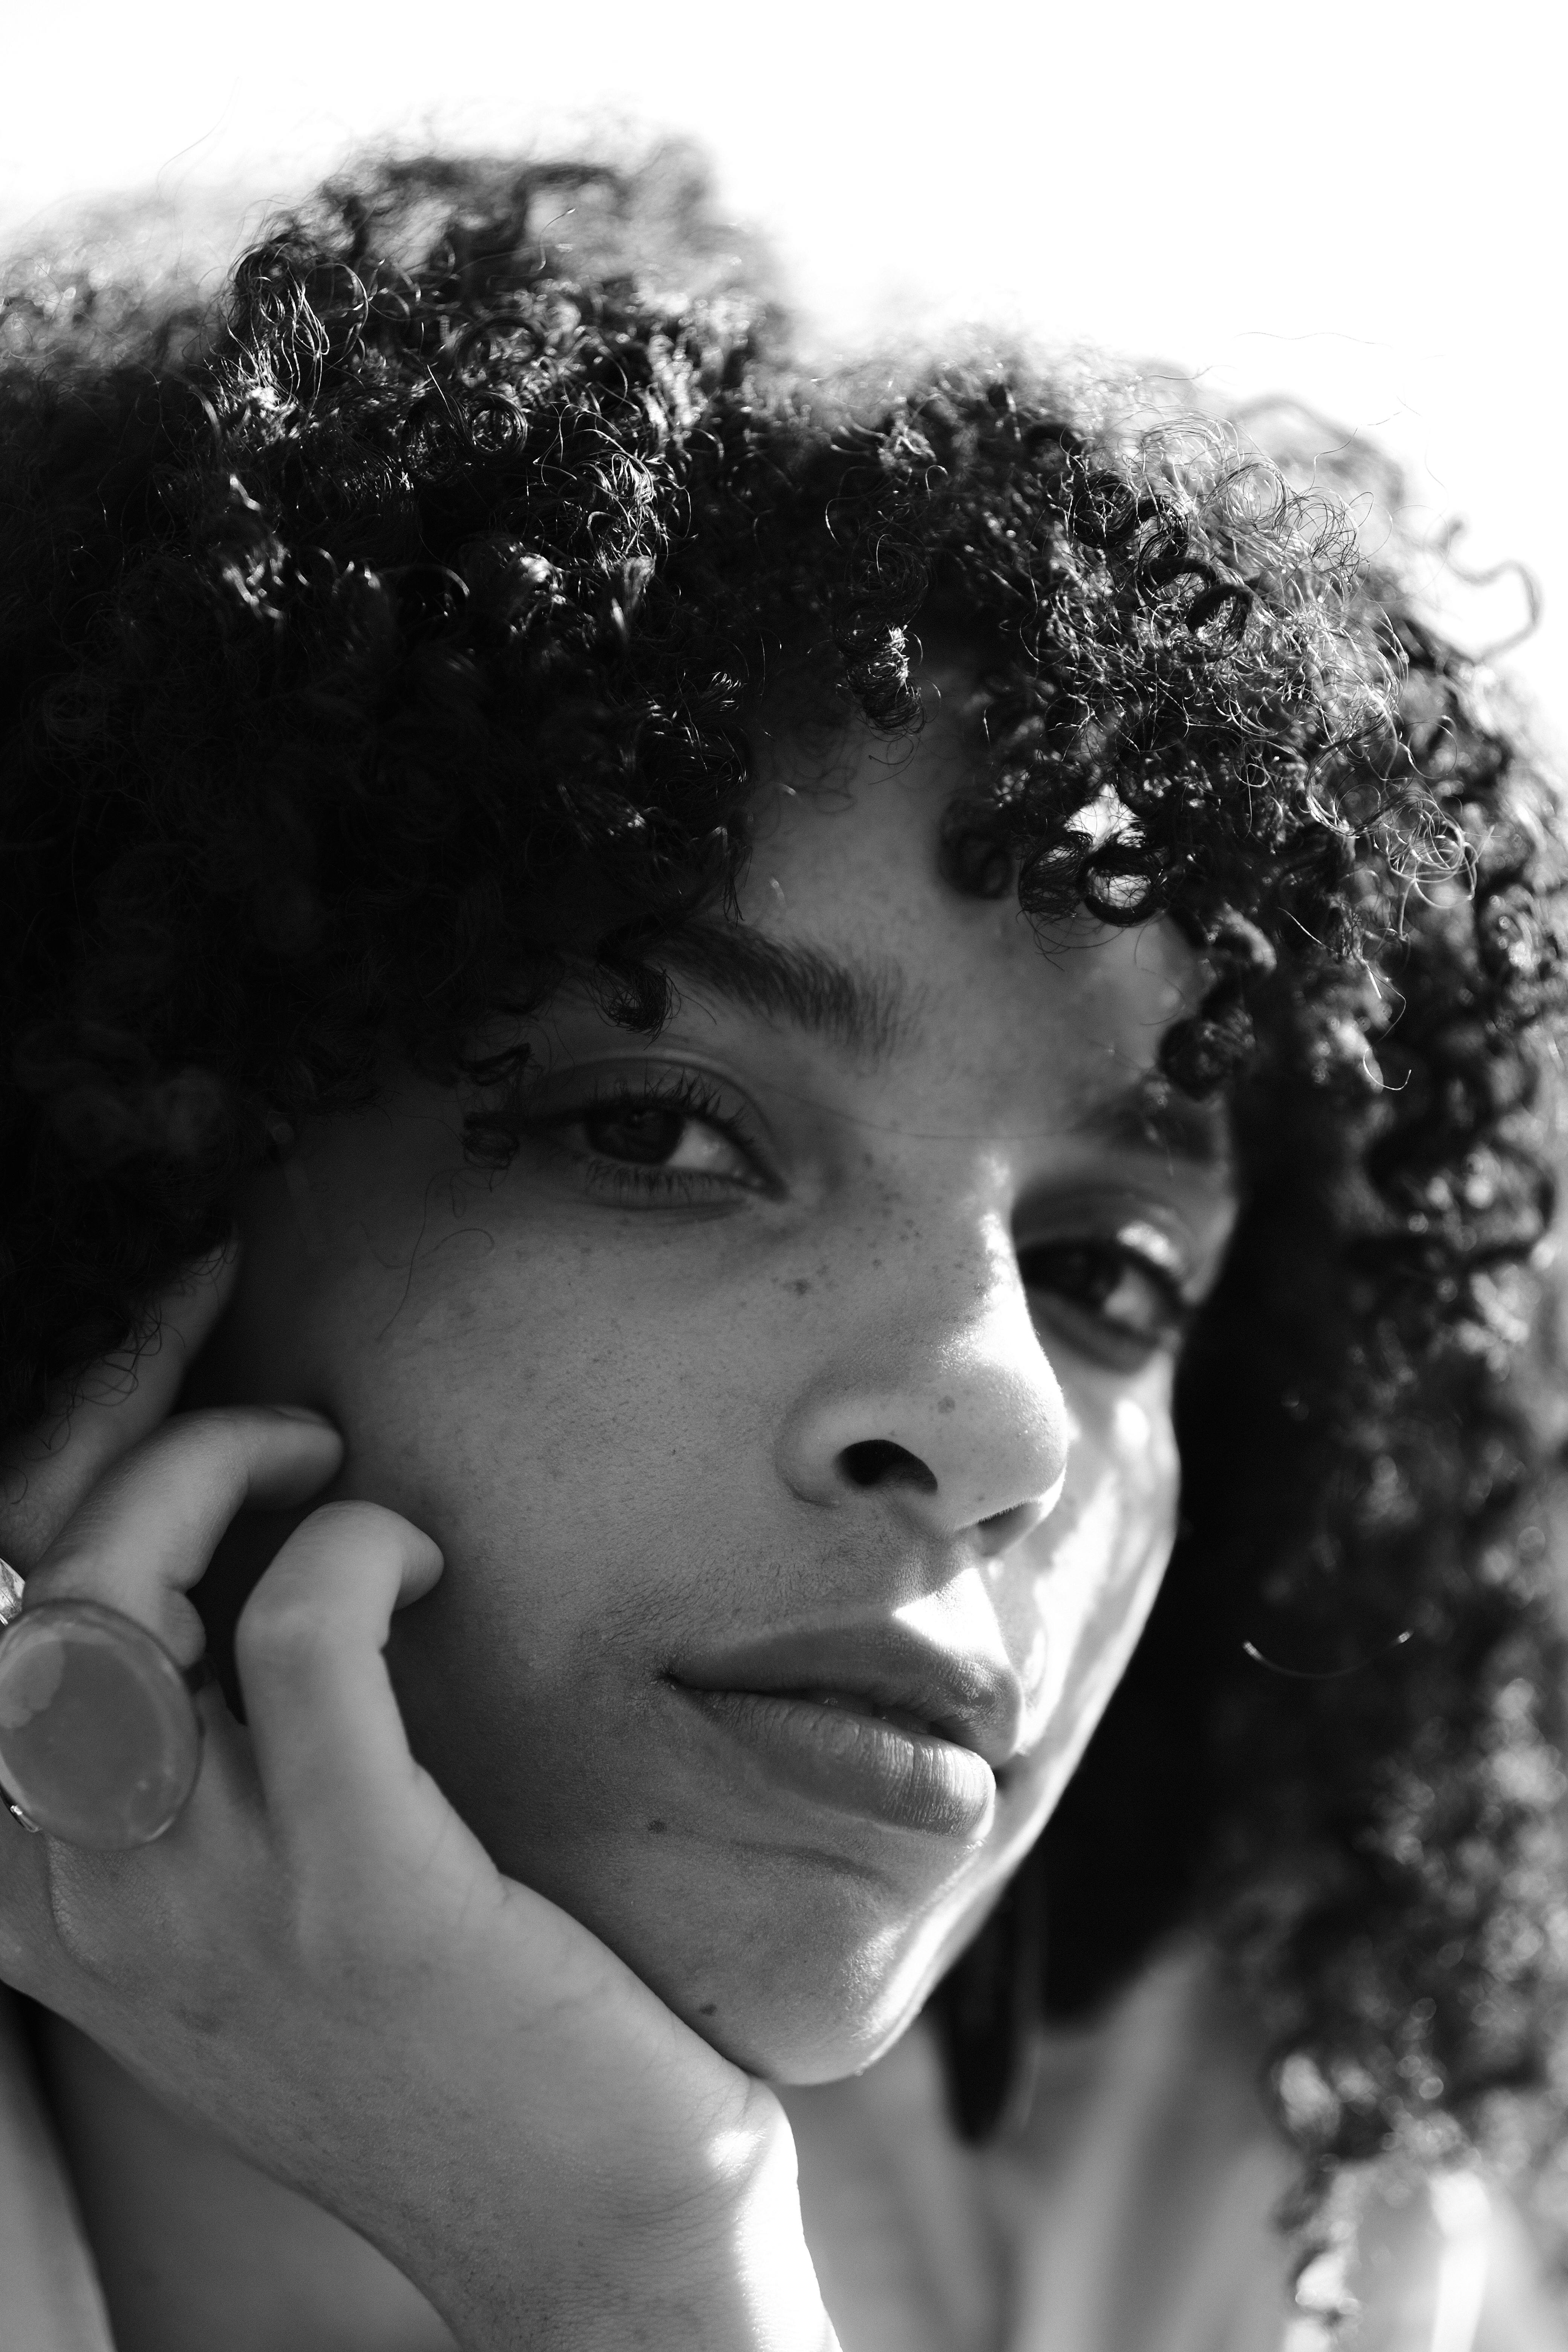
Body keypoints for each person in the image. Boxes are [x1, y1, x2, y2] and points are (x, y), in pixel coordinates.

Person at [0, 149, 1565, 2352]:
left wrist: (643, 2270)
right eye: (656, 1125)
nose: (1003, 1419)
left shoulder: (1281, 2233)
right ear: (123, 1203)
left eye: (1113, 1277)